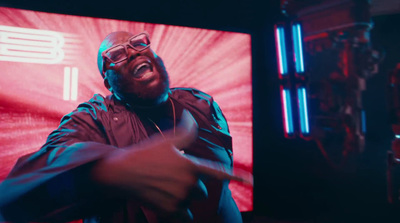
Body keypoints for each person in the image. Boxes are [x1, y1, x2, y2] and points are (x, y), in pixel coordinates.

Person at [0, 31, 250, 223]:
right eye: (117, 54)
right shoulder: (95, 118)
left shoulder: (202, 104)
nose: (132, 52)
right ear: (108, 82)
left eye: (139, 44)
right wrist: (105, 171)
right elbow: (13, 196)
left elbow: (221, 191)